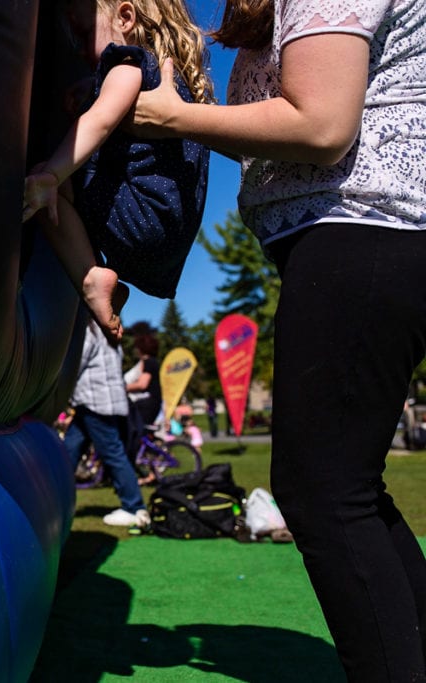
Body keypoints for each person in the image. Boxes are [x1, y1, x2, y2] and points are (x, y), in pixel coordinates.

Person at [130, 1, 426, 678]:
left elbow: (320, 125)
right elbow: (271, 127)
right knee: (347, 486)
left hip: (367, 230)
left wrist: (172, 119)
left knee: (324, 493)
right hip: (353, 238)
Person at [22, 0, 212, 341]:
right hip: (170, 242)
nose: (79, 50)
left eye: (83, 34)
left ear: (125, 17)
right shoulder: (174, 83)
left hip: (142, 220)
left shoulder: (127, 66)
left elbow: (99, 120)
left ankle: (91, 275)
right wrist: (90, 91)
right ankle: (102, 272)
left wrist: (50, 175)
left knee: (49, 184)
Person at [63, 318, 151, 528]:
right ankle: (56, 500)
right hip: (102, 403)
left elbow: (74, 363)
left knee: (112, 453)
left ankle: (134, 507)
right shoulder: (108, 334)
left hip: (95, 403)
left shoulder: (88, 331)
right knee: (67, 452)